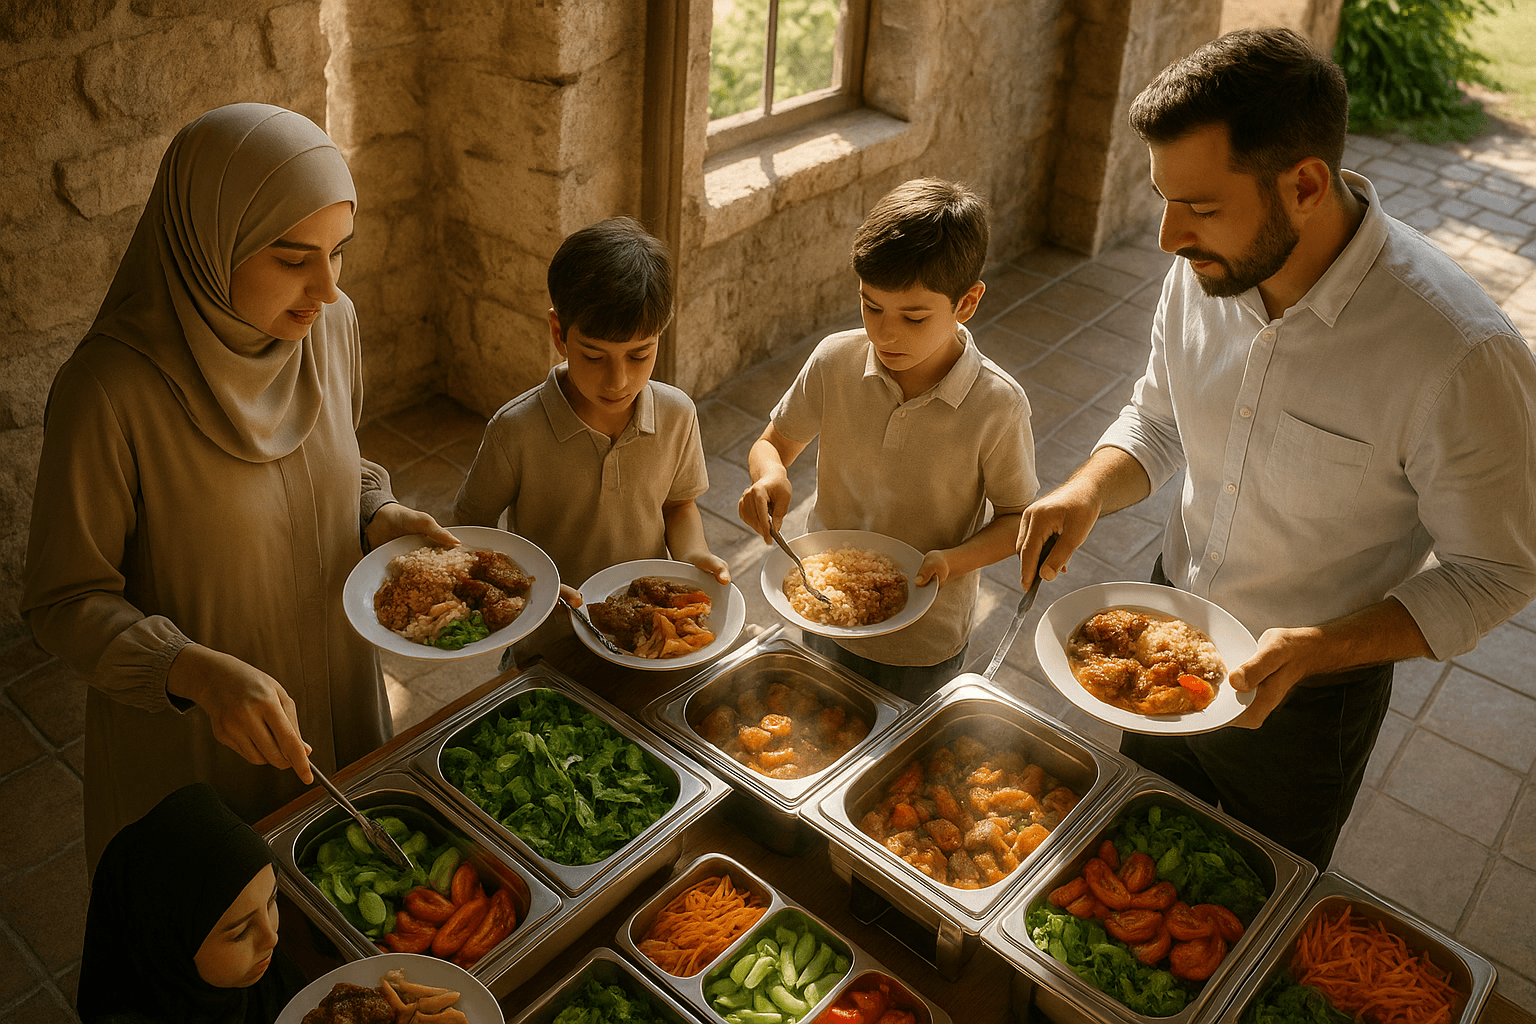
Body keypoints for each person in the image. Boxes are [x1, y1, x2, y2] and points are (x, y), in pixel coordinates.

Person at [1015, 29, 1536, 868]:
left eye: (1202, 206)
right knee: (1138, 855)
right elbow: (1158, 422)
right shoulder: (1203, 267)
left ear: (1303, 184)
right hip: (1159, 631)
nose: (1166, 237)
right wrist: (1085, 490)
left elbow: (1498, 572)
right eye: (1164, 198)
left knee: (1258, 894)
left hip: (1308, 699)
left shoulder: (1462, 354)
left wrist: (1320, 649)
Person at [20, 103, 456, 871]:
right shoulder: (109, 392)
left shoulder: (330, 325)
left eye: (339, 253)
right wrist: (192, 671)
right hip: (196, 740)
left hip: (341, 696)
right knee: (225, 944)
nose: (324, 287)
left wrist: (375, 512)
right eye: (291, 259)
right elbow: (64, 602)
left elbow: (337, 464)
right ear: (205, 242)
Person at [738, 178, 1038, 703]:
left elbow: (1017, 518)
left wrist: (953, 561)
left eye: (914, 317)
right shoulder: (836, 360)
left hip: (923, 639)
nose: (884, 334)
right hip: (824, 604)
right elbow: (772, 443)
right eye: (870, 306)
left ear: (966, 303)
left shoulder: (997, 405)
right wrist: (770, 475)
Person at [452, 217, 729, 669]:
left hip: (643, 644)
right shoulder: (516, 430)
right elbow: (469, 533)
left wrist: (693, 553)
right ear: (559, 334)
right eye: (594, 356)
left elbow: (678, 505)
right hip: (547, 644)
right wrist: (528, 585)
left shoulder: (678, 414)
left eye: (640, 354)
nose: (618, 380)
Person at [77, 782, 307, 1024]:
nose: (272, 937)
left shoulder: (268, 979)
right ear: (170, 947)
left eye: (271, 900)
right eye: (240, 932)